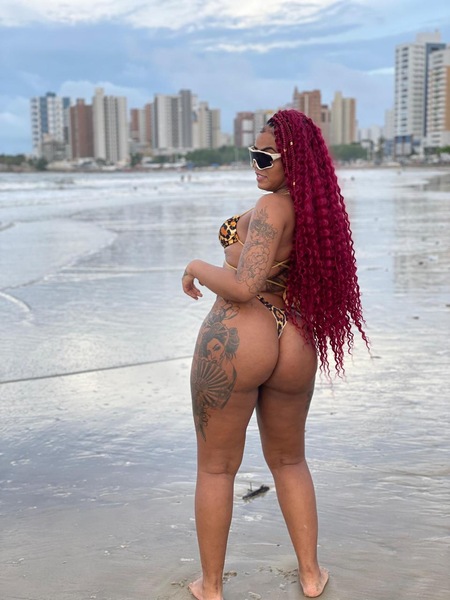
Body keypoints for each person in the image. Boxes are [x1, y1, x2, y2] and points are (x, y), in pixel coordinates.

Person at [182, 109, 369, 600]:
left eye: (266, 156)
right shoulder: (316, 210)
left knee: (216, 467)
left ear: (294, 161)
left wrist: (197, 265)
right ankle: (310, 575)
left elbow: (244, 287)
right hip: (295, 338)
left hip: (245, 334)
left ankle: (210, 586)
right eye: (253, 154)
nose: (256, 163)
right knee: (289, 462)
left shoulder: (271, 208)